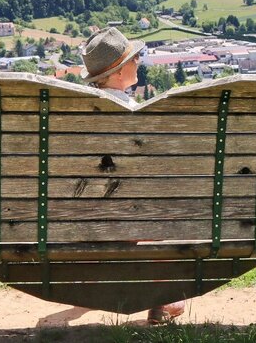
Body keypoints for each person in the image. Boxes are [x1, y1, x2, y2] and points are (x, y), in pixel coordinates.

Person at [80, 27, 187, 324]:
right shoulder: (133, 113)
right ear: (117, 72)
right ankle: (163, 299)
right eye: (133, 58)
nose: (138, 61)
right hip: (128, 221)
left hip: (78, 221)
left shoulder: (77, 115)